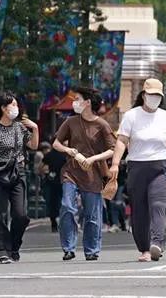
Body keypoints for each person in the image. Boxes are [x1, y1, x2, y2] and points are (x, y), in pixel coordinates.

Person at [110, 79, 166, 262]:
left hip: (160, 167)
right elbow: (121, 141)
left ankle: (157, 243)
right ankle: (144, 249)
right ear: (143, 95)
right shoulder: (131, 116)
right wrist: (115, 164)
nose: (154, 98)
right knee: (139, 210)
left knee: (157, 205)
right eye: (151, 95)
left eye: (158, 95)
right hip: (137, 167)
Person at [51, 87, 115, 261]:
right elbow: (56, 143)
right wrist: (70, 150)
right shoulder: (70, 122)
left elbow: (112, 149)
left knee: (92, 215)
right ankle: (68, 248)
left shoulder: (102, 125)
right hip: (71, 171)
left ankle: (92, 250)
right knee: (67, 206)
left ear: (87, 102)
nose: (75, 101)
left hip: (92, 174)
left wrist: (94, 158)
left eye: (78, 98)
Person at [0, 92, 39, 264]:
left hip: (18, 173)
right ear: (3, 108)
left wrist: (35, 128)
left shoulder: (20, 127)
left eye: (16, 105)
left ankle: (13, 246)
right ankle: (0, 253)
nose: (15, 108)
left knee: (21, 215)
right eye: (12, 105)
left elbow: (33, 145)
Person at [38, 140, 67, 232]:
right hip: (62, 181)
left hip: (51, 180)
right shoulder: (65, 155)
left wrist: (43, 174)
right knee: (63, 202)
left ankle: (53, 222)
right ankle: (63, 222)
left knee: (51, 203)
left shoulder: (49, 155)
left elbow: (40, 167)